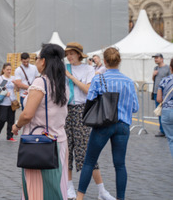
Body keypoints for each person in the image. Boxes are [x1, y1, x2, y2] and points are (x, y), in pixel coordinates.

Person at [77, 47, 139, 200]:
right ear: (119, 61)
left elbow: (89, 100)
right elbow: (135, 108)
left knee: (89, 161)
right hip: (123, 125)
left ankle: (79, 197)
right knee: (120, 165)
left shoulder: (99, 79)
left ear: (104, 61)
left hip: (103, 124)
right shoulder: (129, 81)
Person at [12, 44, 68, 199]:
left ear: (43, 61)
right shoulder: (62, 83)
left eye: (36, 58)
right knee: (56, 187)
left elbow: (27, 114)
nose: (35, 62)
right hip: (59, 140)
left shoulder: (40, 82)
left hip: (39, 143)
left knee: (37, 190)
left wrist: (16, 126)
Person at [64, 42, 114, 200]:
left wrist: (70, 77)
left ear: (79, 54)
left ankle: (102, 190)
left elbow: (87, 89)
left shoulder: (88, 69)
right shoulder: (63, 68)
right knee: (66, 151)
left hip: (81, 110)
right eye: (68, 53)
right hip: (65, 111)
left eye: (72, 53)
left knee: (86, 152)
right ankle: (69, 187)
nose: (69, 56)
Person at [0, 63, 17, 141]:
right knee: (2, 119)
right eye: (7, 69)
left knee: (11, 120)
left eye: (10, 69)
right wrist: (5, 92)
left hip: (12, 102)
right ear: (3, 70)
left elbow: (17, 89)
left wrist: (16, 85)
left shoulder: (13, 78)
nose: (9, 71)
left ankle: (10, 136)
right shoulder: (0, 79)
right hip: (3, 103)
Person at [157, 58, 173, 159]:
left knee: (171, 139)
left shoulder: (164, 80)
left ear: (171, 68)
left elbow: (159, 99)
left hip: (166, 111)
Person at [152, 53, 170, 137]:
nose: (155, 59)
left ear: (162, 59)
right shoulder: (155, 68)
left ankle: (167, 130)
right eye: (154, 58)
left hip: (165, 93)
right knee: (159, 111)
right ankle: (162, 130)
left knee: (166, 111)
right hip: (156, 92)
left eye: (157, 58)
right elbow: (154, 80)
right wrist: (153, 75)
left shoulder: (167, 68)